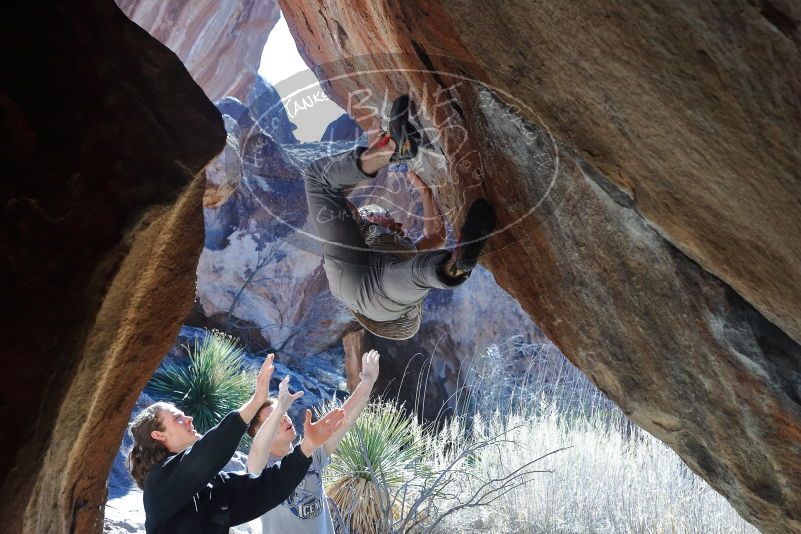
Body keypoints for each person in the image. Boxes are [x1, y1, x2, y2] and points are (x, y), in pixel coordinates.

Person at [304, 94, 496, 340]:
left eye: (385, 217)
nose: (397, 223)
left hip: (362, 291)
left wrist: (375, 157)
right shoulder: (399, 248)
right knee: (418, 274)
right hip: (383, 299)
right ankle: (455, 266)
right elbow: (435, 237)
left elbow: (337, 200)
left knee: (318, 180)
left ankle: (391, 149)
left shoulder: (362, 227)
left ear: (370, 218)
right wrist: (425, 191)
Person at [127, 354, 346, 534]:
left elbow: (268, 487)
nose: (189, 419)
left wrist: (307, 447)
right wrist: (255, 402)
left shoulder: (215, 486)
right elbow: (206, 454)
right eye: (177, 418)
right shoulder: (159, 484)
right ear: (159, 435)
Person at [246, 349, 381, 534]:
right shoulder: (260, 469)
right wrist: (274, 408)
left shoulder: (309, 452)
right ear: (259, 433)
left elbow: (345, 419)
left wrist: (367, 382)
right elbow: (257, 450)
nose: (285, 417)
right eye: (276, 419)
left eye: (284, 412)